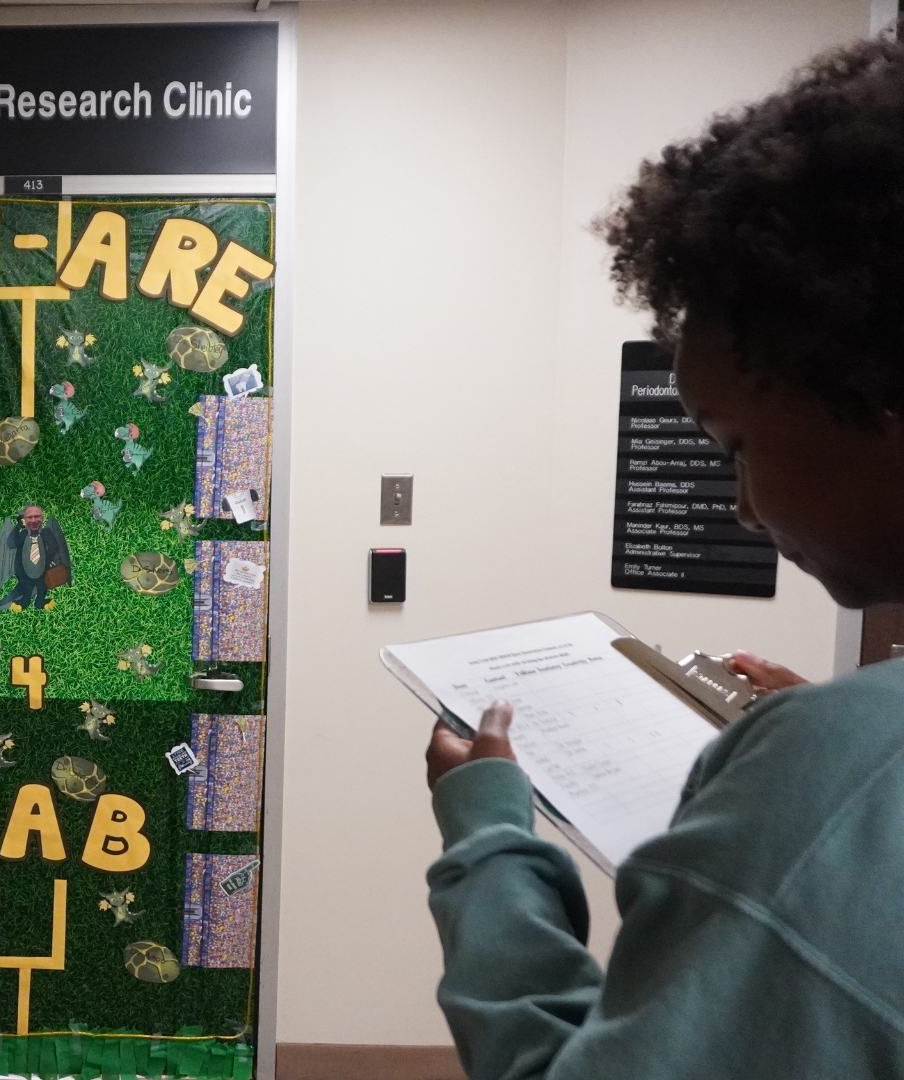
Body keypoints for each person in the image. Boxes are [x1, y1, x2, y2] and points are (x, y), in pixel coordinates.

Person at [421, 34, 904, 1079]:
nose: (742, 507)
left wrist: (488, 840)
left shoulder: (839, 769)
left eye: (736, 447)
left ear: (874, 395)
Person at [0, 504, 71, 611]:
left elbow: (54, 546)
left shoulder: (46, 532)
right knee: (26, 586)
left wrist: (48, 559)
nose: (33, 520)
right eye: (29, 517)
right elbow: (11, 543)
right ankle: (24, 601)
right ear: (24, 519)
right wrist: (18, 526)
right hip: (24, 569)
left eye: (37, 516)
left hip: (42, 568)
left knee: (42, 586)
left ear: (42, 518)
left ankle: (40, 601)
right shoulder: (23, 534)